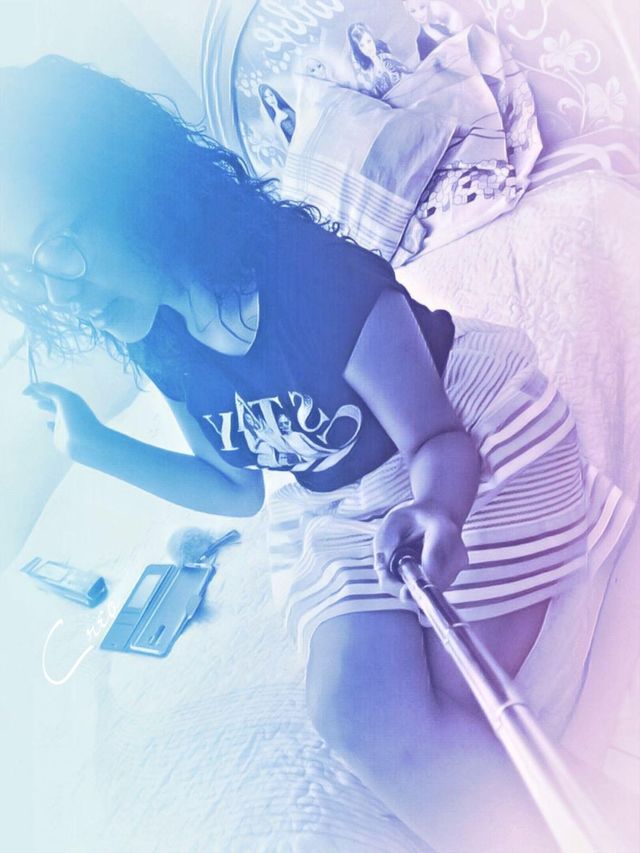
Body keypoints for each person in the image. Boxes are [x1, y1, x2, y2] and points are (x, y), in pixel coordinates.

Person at [0, 57, 632, 852]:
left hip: (458, 440)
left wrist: (439, 509)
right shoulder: (158, 334)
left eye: (58, 246)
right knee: (352, 714)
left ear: (125, 185)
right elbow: (234, 488)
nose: (58, 294)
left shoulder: (305, 274)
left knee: (450, 700)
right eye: (25, 272)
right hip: (343, 497)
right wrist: (96, 445)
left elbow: (436, 436)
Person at [347, 22, 411, 98]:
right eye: (362, 45)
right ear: (359, 49)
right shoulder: (369, 74)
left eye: (369, 41)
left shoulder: (387, 58)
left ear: (373, 39)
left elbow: (409, 74)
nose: (368, 48)